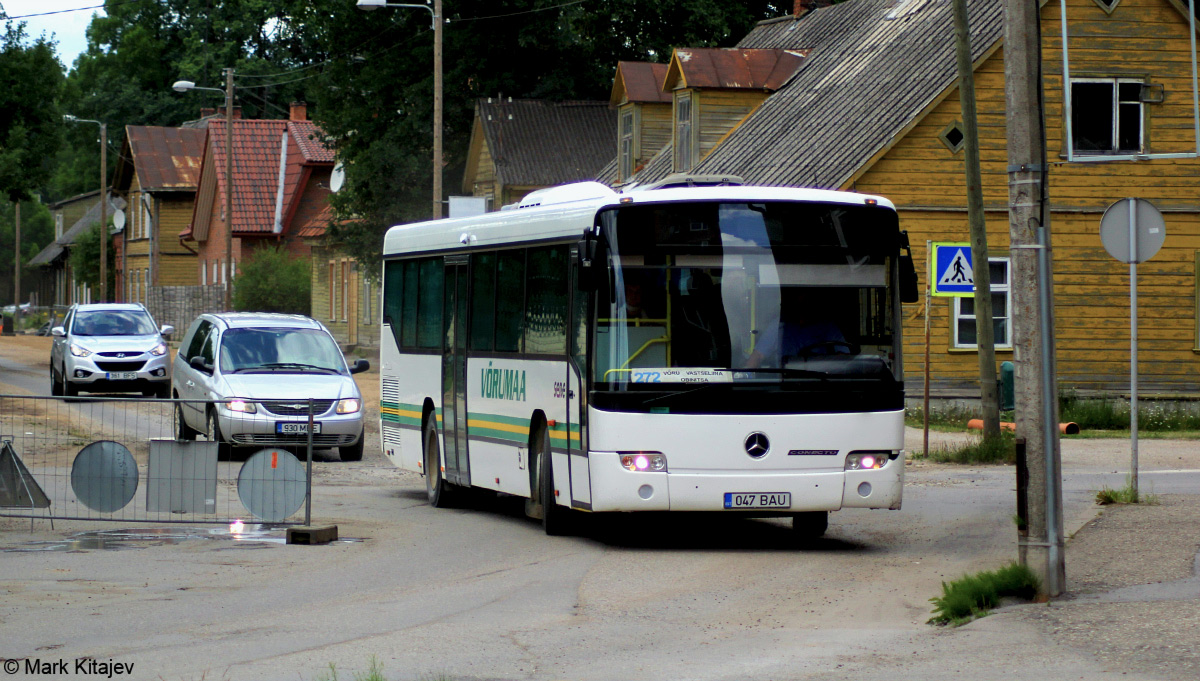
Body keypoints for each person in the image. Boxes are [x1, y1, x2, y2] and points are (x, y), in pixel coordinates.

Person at [745, 292, 850, 368]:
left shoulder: (828, 326)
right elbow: (757, 356)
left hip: (821, 385)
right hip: (786, 386)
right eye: (799, 302)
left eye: (806, 301)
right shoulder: (778, 325)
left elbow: (844, 358)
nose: (803, 305)